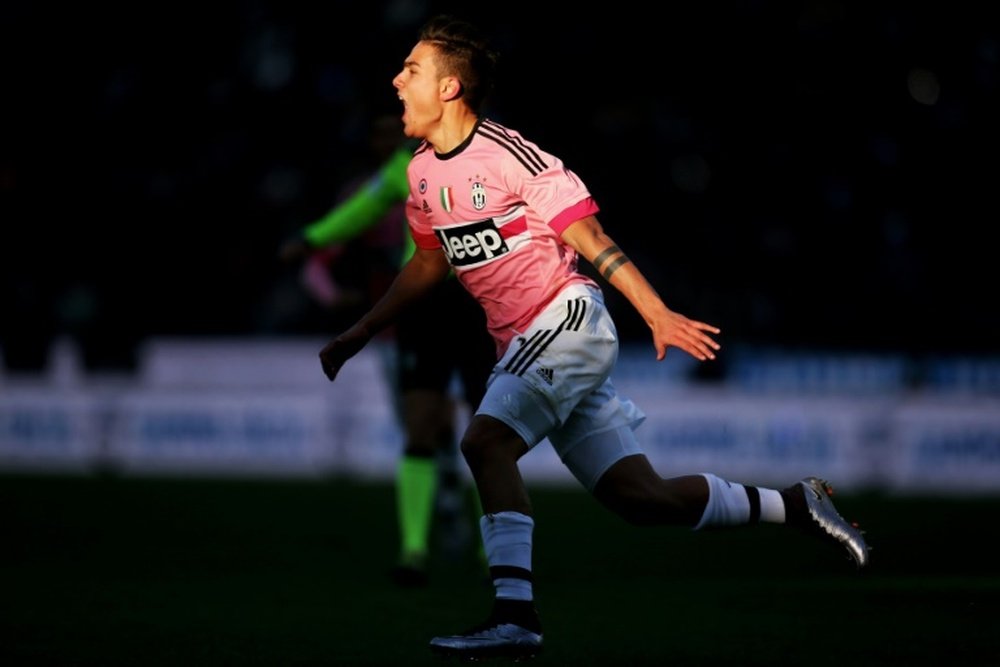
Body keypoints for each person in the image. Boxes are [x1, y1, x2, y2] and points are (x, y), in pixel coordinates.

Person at [317, 14, 870, 660]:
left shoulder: (513, 158)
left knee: (484, 440)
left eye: (411, 68)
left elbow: (594, 240)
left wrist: (656, 313)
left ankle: (514, 614)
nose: (396, 78)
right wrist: (361, 328)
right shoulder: (418, 175)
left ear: (449, 88)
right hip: (529, 343)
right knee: (643, 498)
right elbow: (427, 263)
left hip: (567, 322)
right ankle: (796, 505)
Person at [280, 114, 496, 587]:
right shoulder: (406, 165)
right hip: (424, 306)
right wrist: (312, 239)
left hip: (479, 304)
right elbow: (362, 208)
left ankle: (491, 552)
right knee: (421, 425)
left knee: (487, 434)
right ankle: (414, 551)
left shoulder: (489, 155)